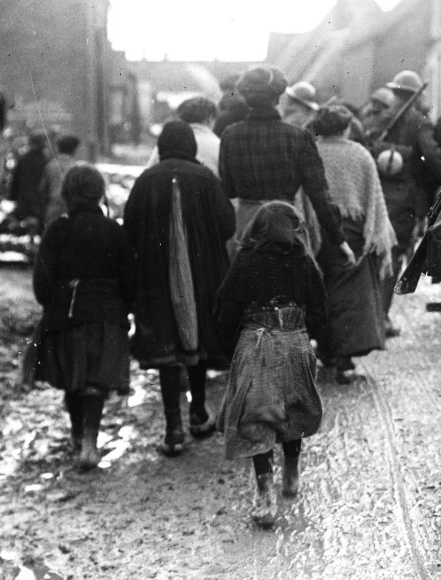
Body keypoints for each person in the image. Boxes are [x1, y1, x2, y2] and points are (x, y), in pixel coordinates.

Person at [124, 120, 236, 455]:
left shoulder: (146, 180)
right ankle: (198, 411)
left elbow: (130, 229)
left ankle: (173, 427)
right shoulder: (206, 178)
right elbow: (227, 225)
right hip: (202, 275)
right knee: (196, 340)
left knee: (167, 350)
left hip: (156, 277)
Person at [215, 201, 327, 528]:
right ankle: (291, 473)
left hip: (256, 343)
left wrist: (228, 345)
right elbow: (320, 307)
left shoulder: (246, 260)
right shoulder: (304, 260)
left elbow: (226, 306)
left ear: (256, 229)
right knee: (293, 409)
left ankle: (265, 496)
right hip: (296, 341)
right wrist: (310, 336)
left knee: (258, 417)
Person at [32, 165, 136, 470]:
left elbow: (41, 284)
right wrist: (124, 309)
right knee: (95, 381)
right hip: (106, 316)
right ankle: (90, 441)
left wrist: (51, 307)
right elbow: (130, 280)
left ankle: (77, 435)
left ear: (67, 194)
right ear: (99, 193)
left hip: (66, 316)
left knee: (73, 378)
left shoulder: (55, 230)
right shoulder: (114, 230)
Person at [217, 65, 354, 265]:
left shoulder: (230, 135)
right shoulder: (298, 137)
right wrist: (339, 239)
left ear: (246, 97)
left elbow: (228, 189)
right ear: (277, 98)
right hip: (286, 227)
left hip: (247, 226)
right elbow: (319, 194)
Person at [310, 104, 396, 384]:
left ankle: (325, 349)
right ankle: (344, 359)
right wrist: (375, 232)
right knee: (350, 297)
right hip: (353, 232)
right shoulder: (360, 154)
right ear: (346, 128)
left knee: (321, 290)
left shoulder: (312, 152)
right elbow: (373, 196)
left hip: (317, 231)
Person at [365, 70, 441, 336]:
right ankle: (380, 319)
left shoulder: (378, 117)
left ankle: (369, 317)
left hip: (374, 196)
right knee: (393, 256)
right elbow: (432, 156)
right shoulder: (419, 121)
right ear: (416, 94)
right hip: (404, 199)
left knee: (372, 256)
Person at [8, 132, 51, 232]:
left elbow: (15, 181)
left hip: (23, 201)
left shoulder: (23, 160)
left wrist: (12, 197)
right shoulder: (45, 162)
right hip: (39, 203)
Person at [41, 134, 81, 228]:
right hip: (71, 208)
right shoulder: (77, 168)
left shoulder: (50, 166)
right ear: (74, 150)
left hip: (53, 206)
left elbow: (42, 189)